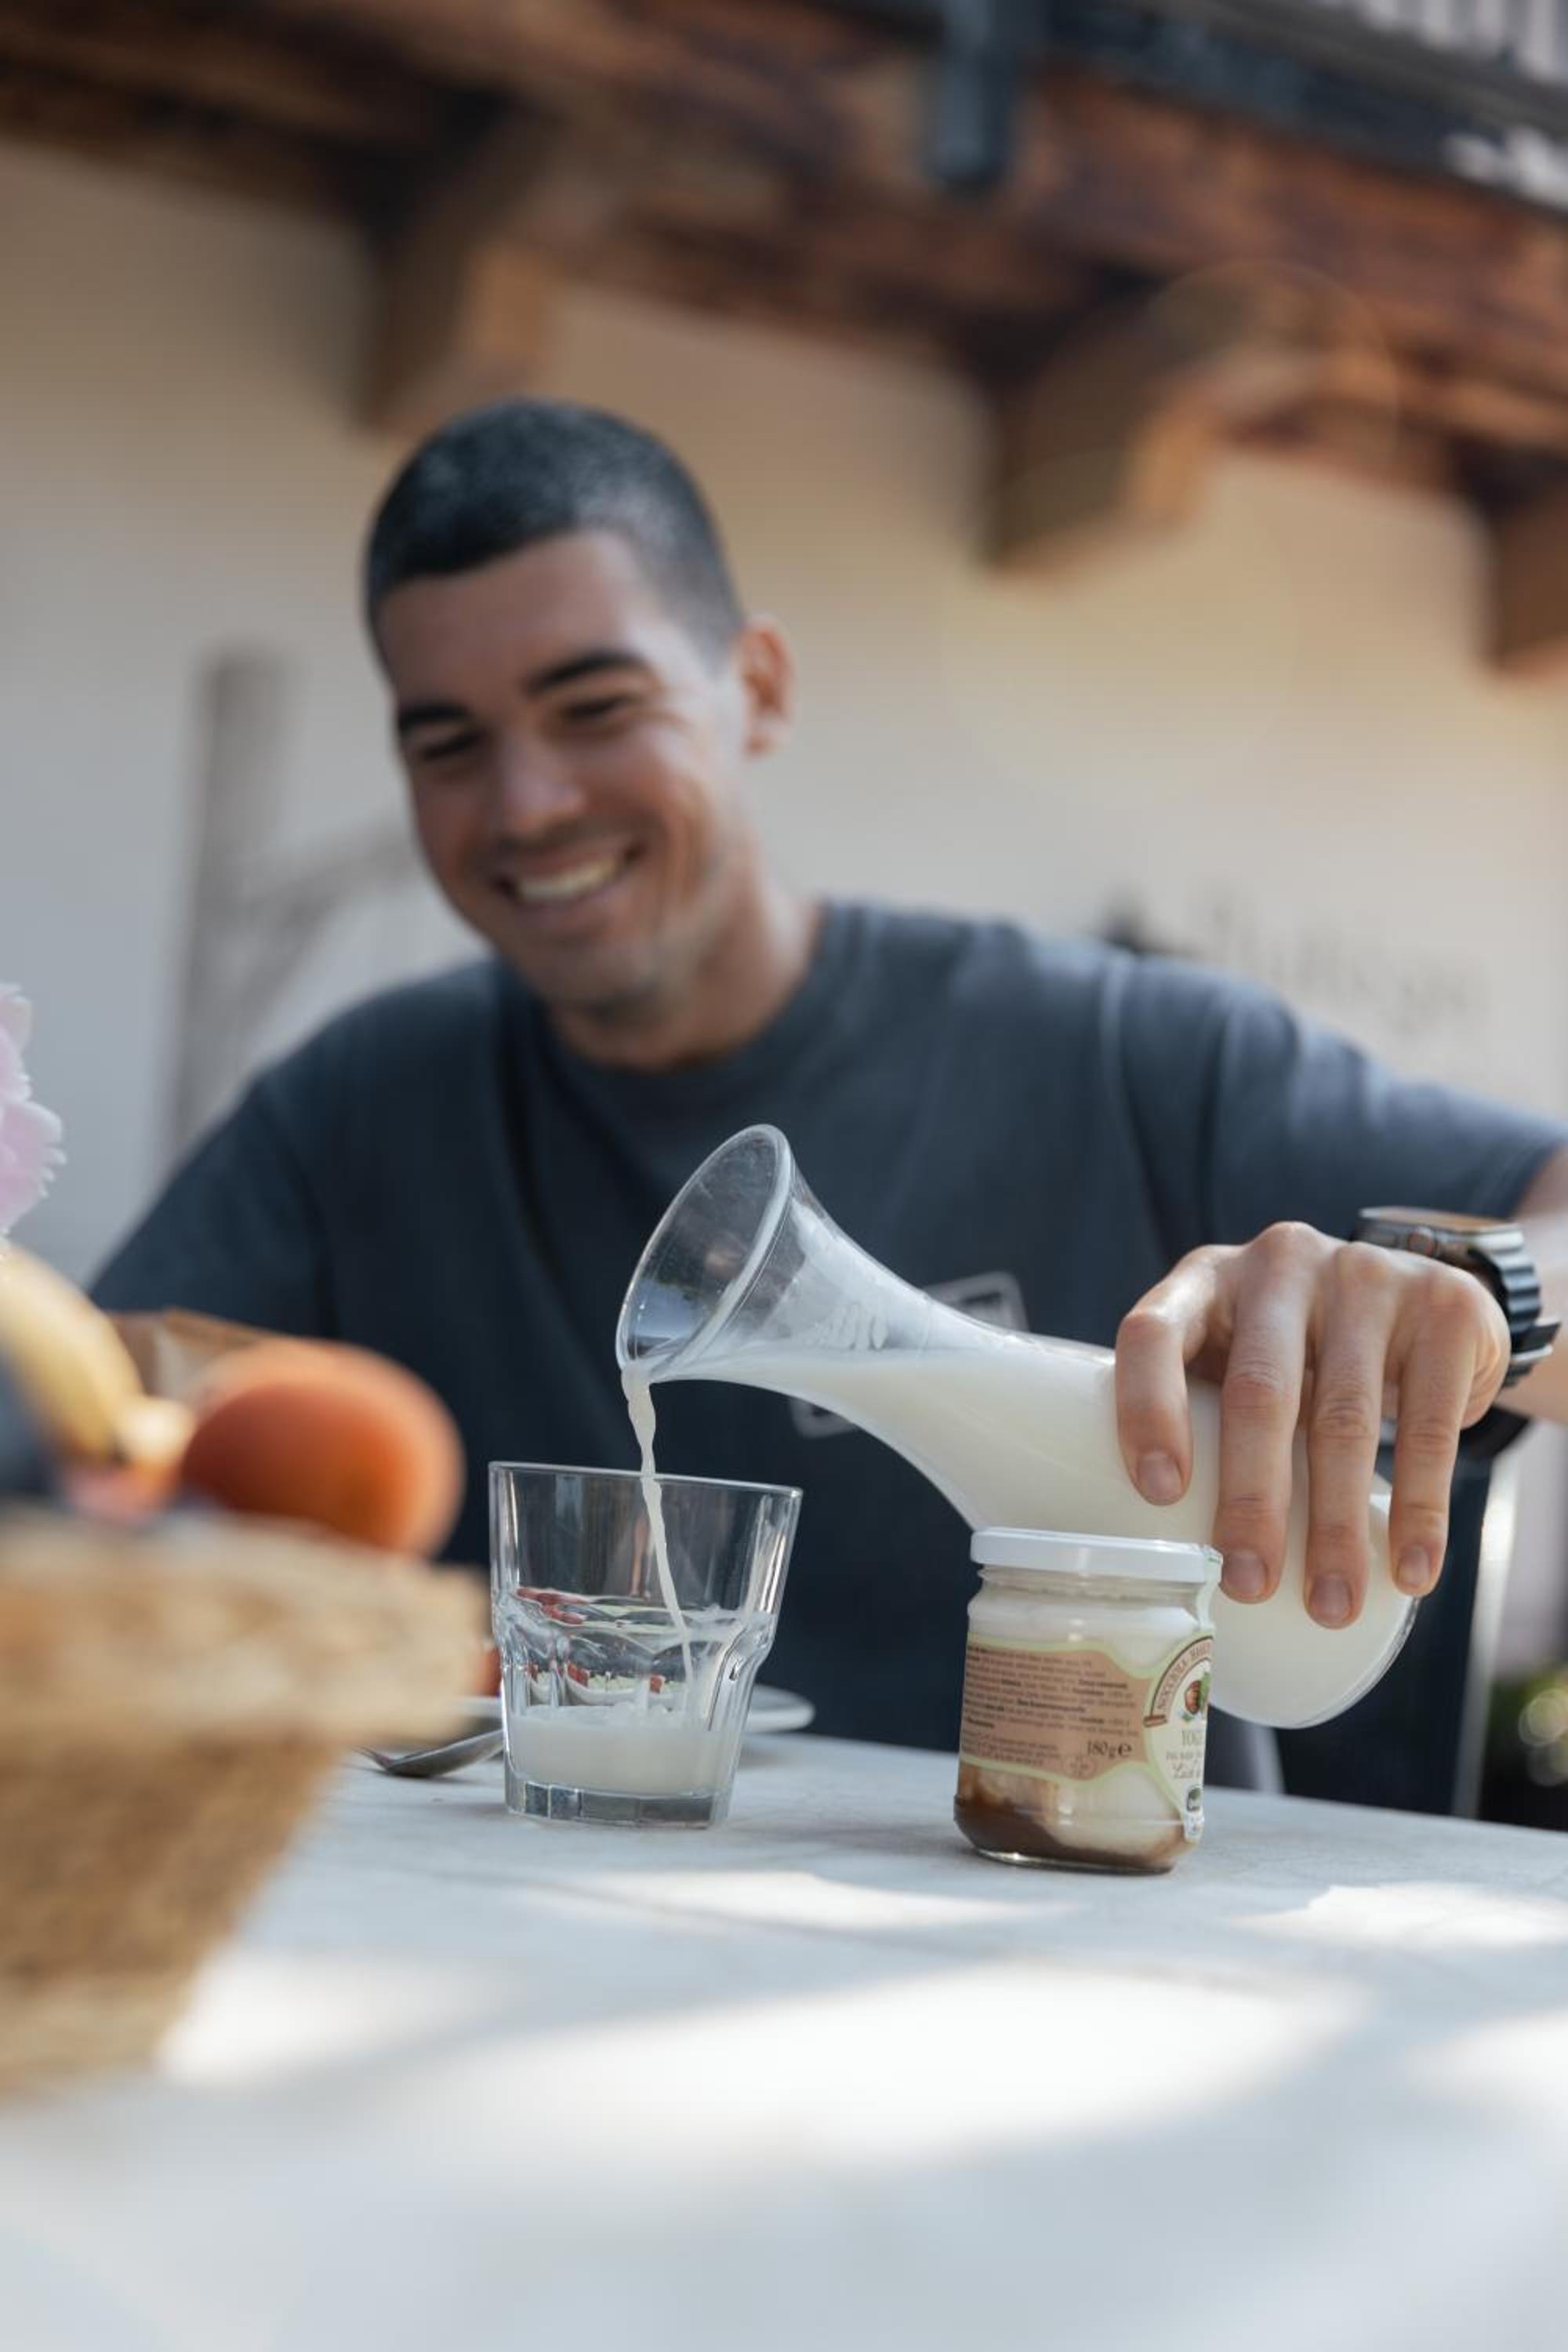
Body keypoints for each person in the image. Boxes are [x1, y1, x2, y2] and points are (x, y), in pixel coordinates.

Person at [94, 400, 1568, 1785]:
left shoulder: (1113, 1049)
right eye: (449, 745)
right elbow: (89, 1427)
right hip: (522, 1922)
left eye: (595, 708)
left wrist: (1473, 1297)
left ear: (758, 689)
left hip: (1079, 1912)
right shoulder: (359, 1111)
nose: (527, 804)